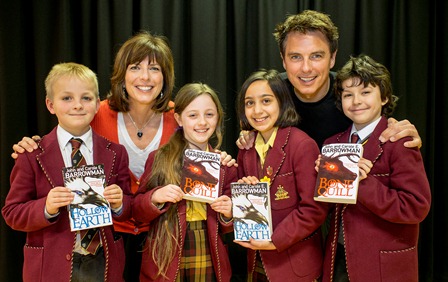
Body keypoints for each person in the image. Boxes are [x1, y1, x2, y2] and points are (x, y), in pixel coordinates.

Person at [11, 31, 178, 282]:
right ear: (122, 75)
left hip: (158, 233)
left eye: (154, 68)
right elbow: (62, 138)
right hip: (96, 239)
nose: (145, 76)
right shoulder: (95, 112)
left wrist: (239, 146)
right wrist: (32, 145)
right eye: (135, 67)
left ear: (165, 77)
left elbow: (203, 144)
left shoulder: (180, 118)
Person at [2, 62, 132, 281]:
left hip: (103, 261)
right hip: (51, 265)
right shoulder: (32, 154)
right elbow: (12, 213)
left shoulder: (116, 153)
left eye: (86, 98)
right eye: (67, 98)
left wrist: (120, 203)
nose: (78, 105)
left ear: (98, 104)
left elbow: (129, 205)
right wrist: (46, 207)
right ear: (50, 105)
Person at [236, 10, 422, 150]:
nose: (306, 68)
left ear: (332, 58)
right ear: (283, 60)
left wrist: (400, 137)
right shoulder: (271, 92)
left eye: (316, 56)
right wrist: (251, 135)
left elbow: (382, 131)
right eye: (296, 57)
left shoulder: (350, 94)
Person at [318, 55, 431, 281]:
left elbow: (415, 207)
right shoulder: (332, 144)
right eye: (348, 95)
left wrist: (362, 182)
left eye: (366, 92)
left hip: (382, 263)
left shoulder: (399, 141)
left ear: (385, 97)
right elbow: (327, 205)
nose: (356, 101)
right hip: (337, 259)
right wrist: (319, 177)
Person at [132, 83, 237, 281]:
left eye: (209, 114)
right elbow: (137, 211)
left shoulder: (225, 164)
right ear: (179, 118)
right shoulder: (160, 158)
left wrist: (228, 212)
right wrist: (155, 197)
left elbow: (229, 227)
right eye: (193, 115)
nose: (202, 122)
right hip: (166, 253)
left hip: (209, 249)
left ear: (218, 117)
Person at [235, 69, 329, 281]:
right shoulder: (246, 148)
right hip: (256, 260)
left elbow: (314, 209)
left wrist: (275, 240)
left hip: (294, 265)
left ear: (282, 102)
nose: (257, 110)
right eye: (249, 103)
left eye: (266, 101)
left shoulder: (302, 144)